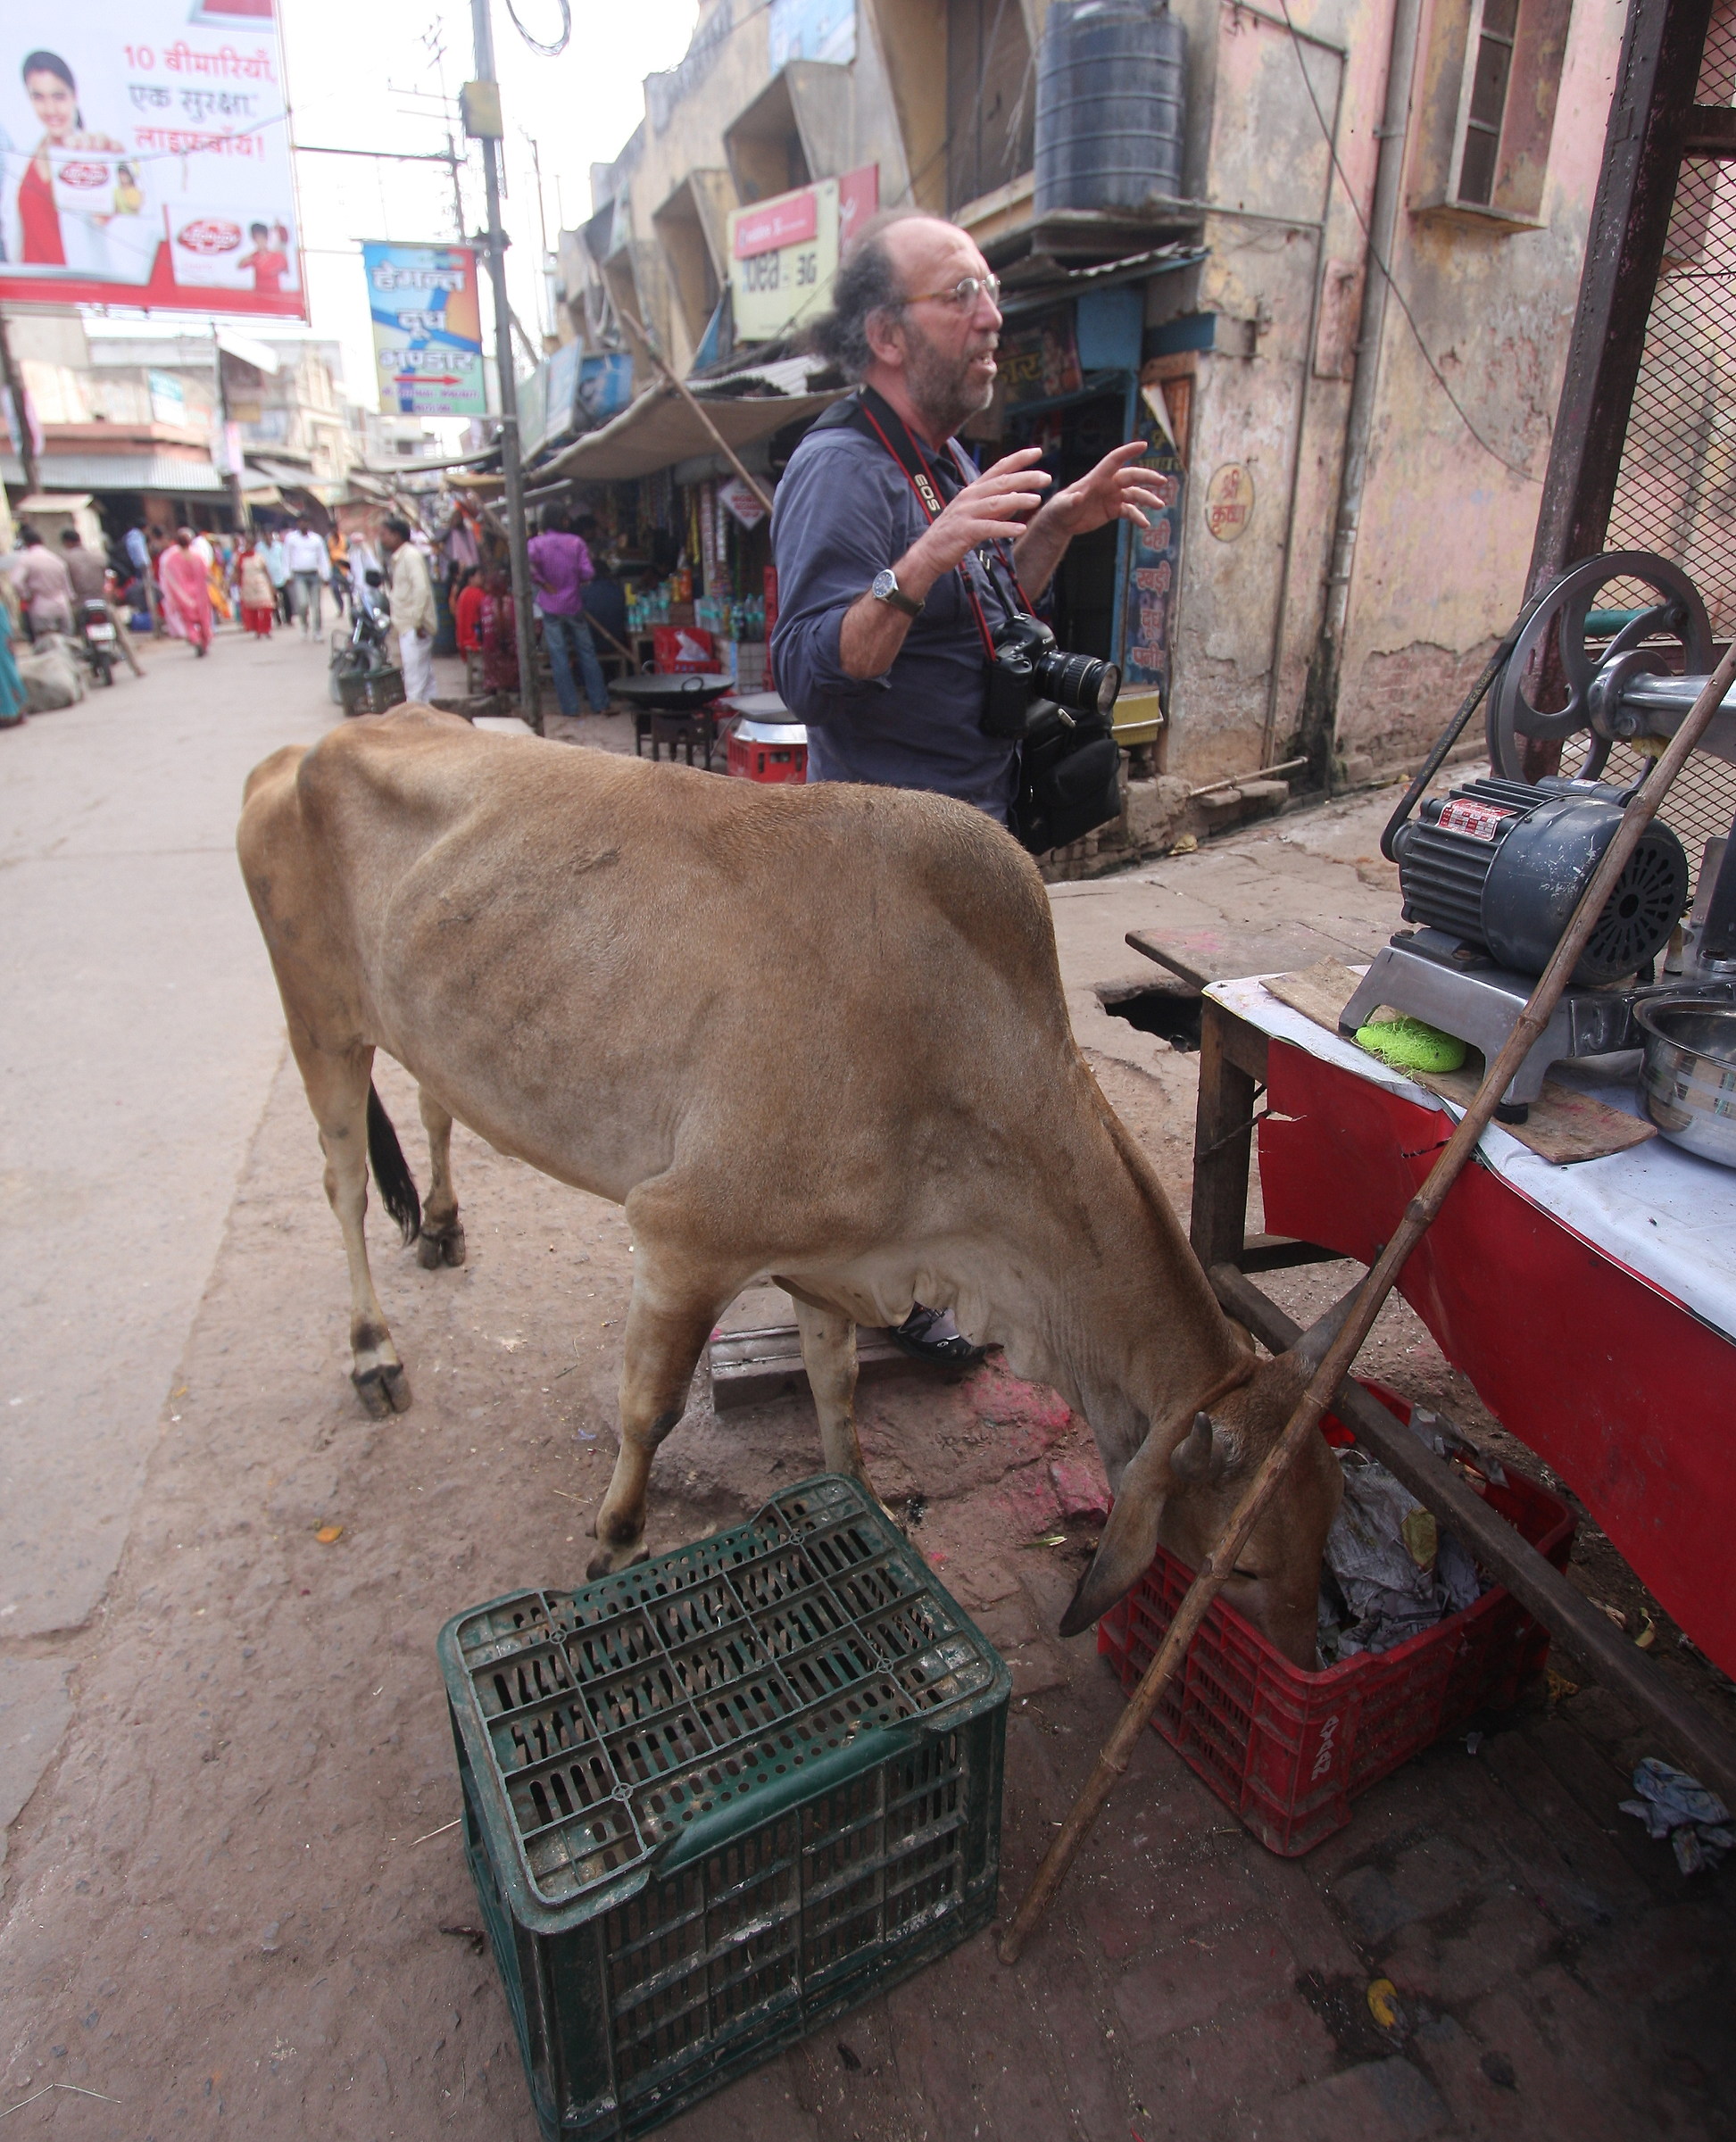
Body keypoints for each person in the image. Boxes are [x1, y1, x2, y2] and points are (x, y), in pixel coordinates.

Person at [771, 210, 1162, 1366]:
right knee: (890, 1098)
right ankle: (872, 1296)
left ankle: (903, 1276)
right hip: (882, 866)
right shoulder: (842, 468)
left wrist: (1051, 527)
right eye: (964, 295)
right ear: (887, 335)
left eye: (991, 292)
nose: (993, 317)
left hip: (970, 835)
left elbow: (988, 619)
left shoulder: (942, 461)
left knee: (940, 1089)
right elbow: (812, 673)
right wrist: (922, 553)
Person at [12, 51, 126, 267]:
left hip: (78, 293)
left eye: (58, 96)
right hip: (29, 295)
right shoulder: (20, 160)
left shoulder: (96, 153)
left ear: (74, 95)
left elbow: (106, 220)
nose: (50, 109)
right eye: (39, 97)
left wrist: (109, 160)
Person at [527, 505, 608, 718]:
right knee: (587, 654)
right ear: (564, 520)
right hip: (573, 605)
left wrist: (544, 584)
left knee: (559, 657)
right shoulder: (576, 543)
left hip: (550, 606)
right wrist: (575, 580)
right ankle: (599, 703)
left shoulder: (535, 544)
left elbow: (529, 569)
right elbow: (588, 572)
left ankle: (570, 708)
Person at [60, 526, 143, 676]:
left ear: (67, 542)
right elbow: (110, 578)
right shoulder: (98, 556)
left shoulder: (65, 559)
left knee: (68, 638)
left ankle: (76, 675)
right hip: (102, 602)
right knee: (121, 635)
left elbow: (66, 585)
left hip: (80, 604)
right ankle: (137, 667)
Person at [379, 514, 436, 700]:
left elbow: (421, 589)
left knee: (414, 680)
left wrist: (418, 622)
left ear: (397, 536)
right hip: (409, 624)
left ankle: (416, 720)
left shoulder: (410, 556)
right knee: (423, 677)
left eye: (385, 534)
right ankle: (428, 717)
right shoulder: (402, 557)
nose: (382, 539)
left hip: (413, 626)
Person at [9, 527, 75, 638]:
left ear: (26, 544)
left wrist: (26, 595)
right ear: (42, 541)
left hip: (40, 606)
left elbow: (16, 581)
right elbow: (67, 588)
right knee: (66, 641)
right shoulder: (56, 559)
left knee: (46, 642)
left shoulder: (27, 560)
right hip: (62, 605)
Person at [158, 527, 214, 655]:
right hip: (200, 594)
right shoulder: (198, 556)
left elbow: (168, 578)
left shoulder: (171, 559)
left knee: (188, 622)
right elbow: (207, 574)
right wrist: (218, 587)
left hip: (183, 595)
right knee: (204, 619)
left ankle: (195, 639)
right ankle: (204, 642)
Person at [477, 569, 519, 697]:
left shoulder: (485, 602)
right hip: (511, 653)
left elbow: (480, 630)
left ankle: (492, 690)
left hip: (492, 654)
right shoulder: (513, 602)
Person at [282, 519, 328, 636]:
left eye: (306, 522)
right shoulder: (291, 539)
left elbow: (323, 557)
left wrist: (326, 575)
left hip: (313, 574)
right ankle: (304, 625)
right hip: (299, 575)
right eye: (302, 522)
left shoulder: (316, 539)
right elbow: (286, 557)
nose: (304, 524)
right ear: (298, 523)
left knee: (316, 605)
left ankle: (317, 630)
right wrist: (287, 574)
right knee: (302, 603)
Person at [238, 540, 276, 638]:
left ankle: (266, 629)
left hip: (261, 583)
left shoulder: (259, 556)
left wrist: (271, 585)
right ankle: (258, 630)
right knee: (253, 610)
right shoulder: (241, 558)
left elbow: (266, 571)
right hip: (248, 585)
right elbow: (237, 572)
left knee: (266, 607)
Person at [261, 528, 292, 626]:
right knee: (272, 601)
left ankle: (288, 619)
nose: (268, 538)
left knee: (286, 598)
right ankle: (278, 619)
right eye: (265, 536)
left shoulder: (279, 547)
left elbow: (286, 561)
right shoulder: (259, 548)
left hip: (281, 576)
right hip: (268, 579)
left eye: (269, 535)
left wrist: (288, 575)